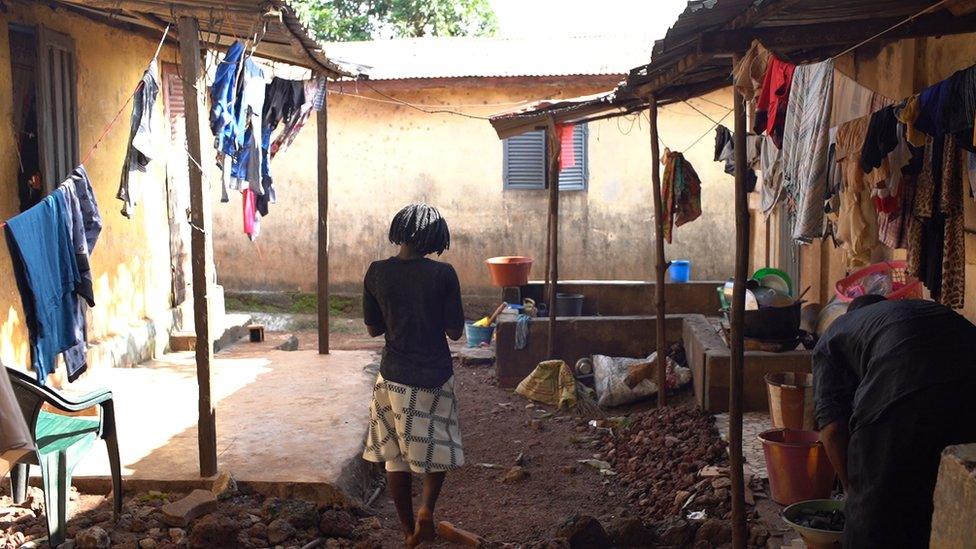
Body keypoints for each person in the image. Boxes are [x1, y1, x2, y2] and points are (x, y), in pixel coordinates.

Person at [813, 295, 976, 548]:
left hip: (904, 381)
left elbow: (832, 431)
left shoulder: (833, 336)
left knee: (872, 516)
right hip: (969, 376)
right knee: (941, 493)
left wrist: (851, 490)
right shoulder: (913, 310)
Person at [361, 203, 466, 547]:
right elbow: (454, 332)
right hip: (434, 375)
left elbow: (374, 329)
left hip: (392, 375)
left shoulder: (376, 272)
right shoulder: (443, 274)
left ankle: (408, 532)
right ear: (435, 238)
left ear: (400, 231)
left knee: (395, 457)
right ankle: (426, 510)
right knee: (438, 446)